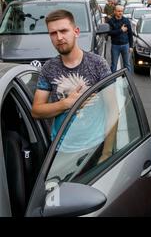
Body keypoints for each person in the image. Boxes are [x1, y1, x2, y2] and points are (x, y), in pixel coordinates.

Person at [31, 10, 117, 168]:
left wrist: (107, 153)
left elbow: (112, 109)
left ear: (76, 32)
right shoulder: (48, 69)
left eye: (63, 31)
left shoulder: (98, 64)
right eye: (53, 33)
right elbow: (36, 111)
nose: (59, 38)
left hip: (95, 147)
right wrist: (66, 104)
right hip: (61, 149)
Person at [108, 5, 133, 72]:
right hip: (115, 46)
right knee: (114, 65)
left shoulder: (126, 20)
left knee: (127, 64)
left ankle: (128, 81)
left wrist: (131, 46)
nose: (120, 13)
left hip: (125, 45)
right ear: (114, 11)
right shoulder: (110, 21)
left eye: (122, 11)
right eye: (119, 11)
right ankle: (113, 81)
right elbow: (109, 33)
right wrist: (121, 30)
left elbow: (130, 33)